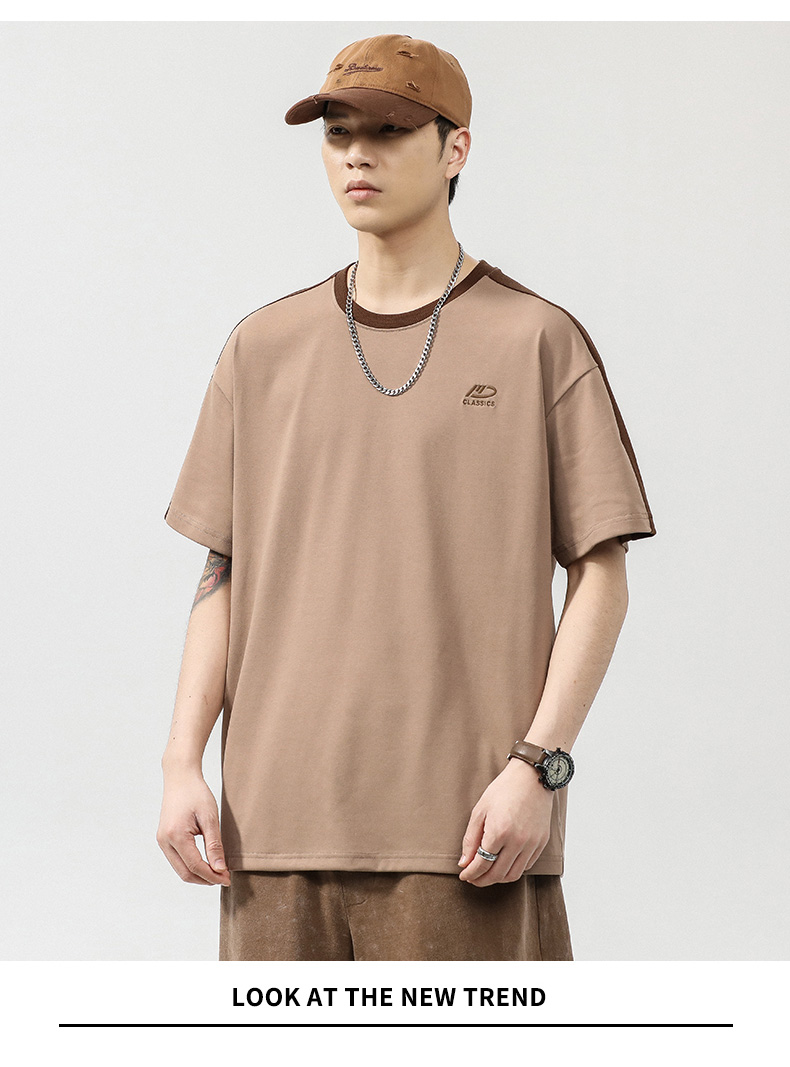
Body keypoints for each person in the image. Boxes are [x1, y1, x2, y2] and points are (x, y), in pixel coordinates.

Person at [157, 32, 656, 962]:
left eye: (388, 131)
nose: (358, 153)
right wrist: (182, 760)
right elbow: (224, 570)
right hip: (273, 832)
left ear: (455, 148)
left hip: (467, 832)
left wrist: (538, 767)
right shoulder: (261, 349)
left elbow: (603, 574)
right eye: (339, 132)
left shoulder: (537, 341)